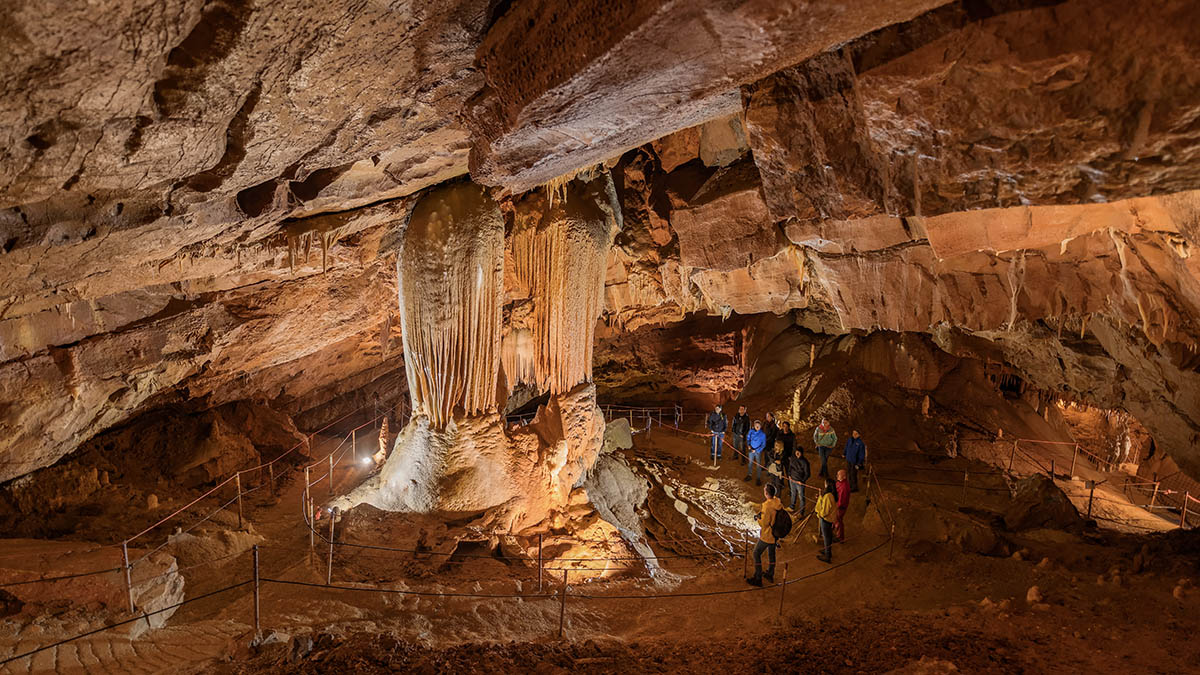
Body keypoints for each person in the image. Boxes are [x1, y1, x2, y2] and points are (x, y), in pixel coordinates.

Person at [746, 483, 783, 586]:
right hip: (775, 534)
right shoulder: (777, 502)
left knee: (756, 553)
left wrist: (758, 519)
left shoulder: (767, 507)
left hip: (768, 535)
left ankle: (758, 578)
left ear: (766, 493)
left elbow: (764, 524)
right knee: (772, 554)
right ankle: (770, 574)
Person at [815, 478, 837, 563]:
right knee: (828, 536)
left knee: (827, 537)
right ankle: (827, 551)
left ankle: (827, 556)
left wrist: (819, 514)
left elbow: (825, 511)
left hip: (826, 520)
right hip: (828, 519)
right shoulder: (831, 494)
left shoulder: (828, 496)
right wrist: (820, 496)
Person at [786, 446, 810, 513]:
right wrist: (789, 475)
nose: (797, 454)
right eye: (796, 452)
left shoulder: (805, 462)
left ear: (801, 453)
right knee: (793, 493)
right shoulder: (793, 459)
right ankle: (792, 507)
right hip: (792, 480)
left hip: (799, 482)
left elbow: (807, 473)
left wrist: (802, 481)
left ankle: (801, 512)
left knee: (801, 497)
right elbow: (790, 468)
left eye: (799, 453)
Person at [834, 468, 851, 542]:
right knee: (836, 520)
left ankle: (840, 537)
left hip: (840, 507)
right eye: (837, 474)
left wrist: (836, 506)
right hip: (838, 504)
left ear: (844, 477)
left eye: (839, 475)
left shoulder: (844, 487)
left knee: (838, 521)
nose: (837, 476)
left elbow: (842, 500)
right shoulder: (839, 482)